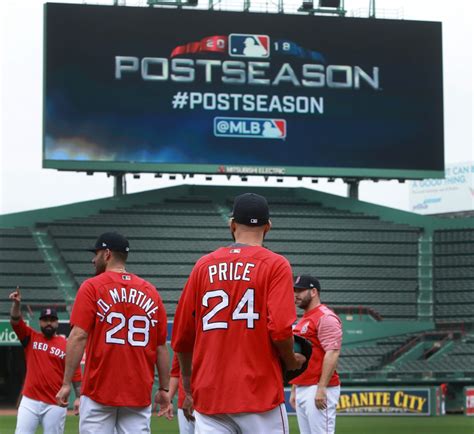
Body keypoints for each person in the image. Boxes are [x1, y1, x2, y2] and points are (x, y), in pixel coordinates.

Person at [172, 192, 306, 434]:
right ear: (268, 227)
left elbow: (182, 337)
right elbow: (280, 330)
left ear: (232, 224)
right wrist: (291, 360)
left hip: (211, 396)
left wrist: (188, 385)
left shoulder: (203, 265)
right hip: (259, 394)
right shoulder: (276, 264)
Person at [55, 232, 172, 434]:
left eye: (97, 253)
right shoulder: (151, 291)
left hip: (99, 390)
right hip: (138, 392)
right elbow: (160, 347)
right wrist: (164, 388)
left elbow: (78, 336)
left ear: (107, 254)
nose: (93, 259)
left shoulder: (92, 287)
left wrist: (66, 383)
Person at [9, 288, 81, 434]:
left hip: (55, 403)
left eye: (52, 320)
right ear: (40, 322)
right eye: (45, 320)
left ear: (57, 323)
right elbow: (15, 321)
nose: (49, 323)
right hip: (30, 401)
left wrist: (79, 397)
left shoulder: (66, 345)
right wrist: (16, 304)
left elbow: (76, 375)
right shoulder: (30, 337)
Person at [289, 275, 342, 434]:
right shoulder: (304, 319)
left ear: (313, 292)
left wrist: (322, 387)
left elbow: (332, 352)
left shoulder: (325, 317)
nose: (296, 295)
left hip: (317, 386)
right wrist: (294, 387)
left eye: (300, 291)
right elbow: (301, 356)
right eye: (294, 291)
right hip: (303, 386)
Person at [169, 354, 195, 434]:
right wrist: (168, 400)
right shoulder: (182, 343)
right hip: (185, 404)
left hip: (209, 402)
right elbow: (175, 374)